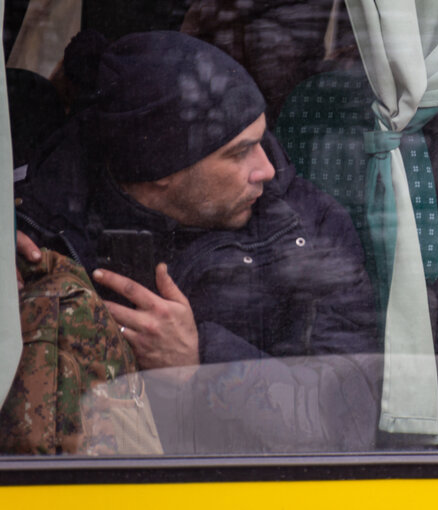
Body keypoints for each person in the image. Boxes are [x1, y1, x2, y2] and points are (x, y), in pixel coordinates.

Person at [14, 30, 377, 371]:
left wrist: (200, 361)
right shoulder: (36, 228)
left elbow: (343, 410)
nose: (267, 169)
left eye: (261, 140)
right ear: (158, 171)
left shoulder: (312, 228)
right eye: (241, 152)